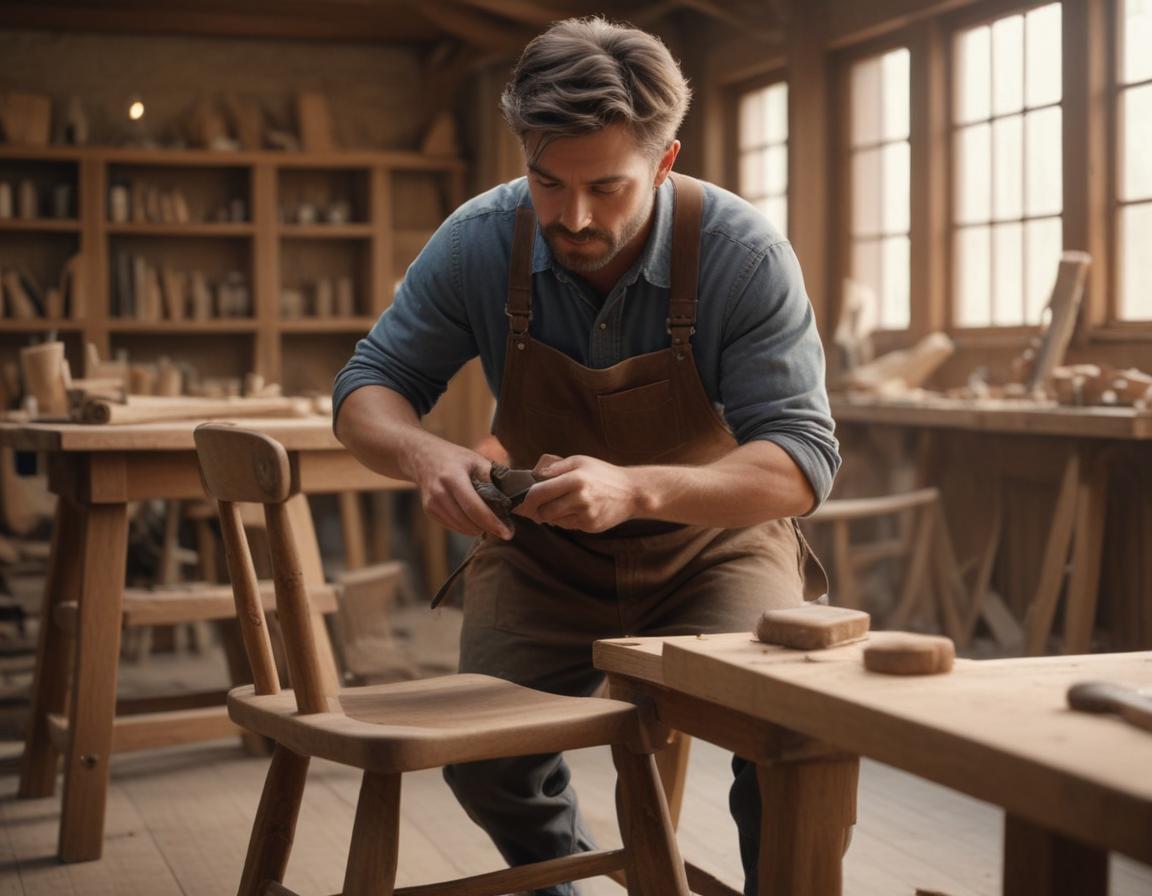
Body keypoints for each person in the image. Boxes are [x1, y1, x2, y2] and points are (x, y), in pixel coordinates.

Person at [333, 16, 838, 896]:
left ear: (666, 160)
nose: (573, 217)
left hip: (710, 549)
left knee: (788, 732)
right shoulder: (481, 239)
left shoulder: (743, 255)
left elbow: (799, 462)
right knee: (483, 758)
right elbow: (365, 388)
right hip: (542, 556)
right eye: (547, 182)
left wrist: (638, 489)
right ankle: (574, 884)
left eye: (607, 187)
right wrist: (425, 455)